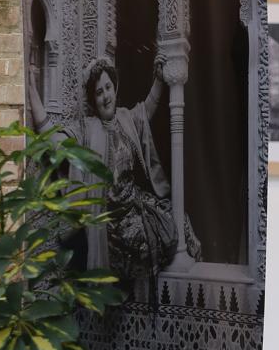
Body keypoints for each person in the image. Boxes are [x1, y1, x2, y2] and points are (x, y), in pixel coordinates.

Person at [27, 55, 199, 293]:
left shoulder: (126, 118)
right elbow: (52, 138)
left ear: (115, 87)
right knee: (142, 243)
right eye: (99, 92)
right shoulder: (86, 130)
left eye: (108, 88)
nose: (106, 96)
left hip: (136, 204)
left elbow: (147, 109)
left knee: (180, 224)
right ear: (93, 99)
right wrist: (31, 89)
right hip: (111, 224)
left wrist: (159, 79)